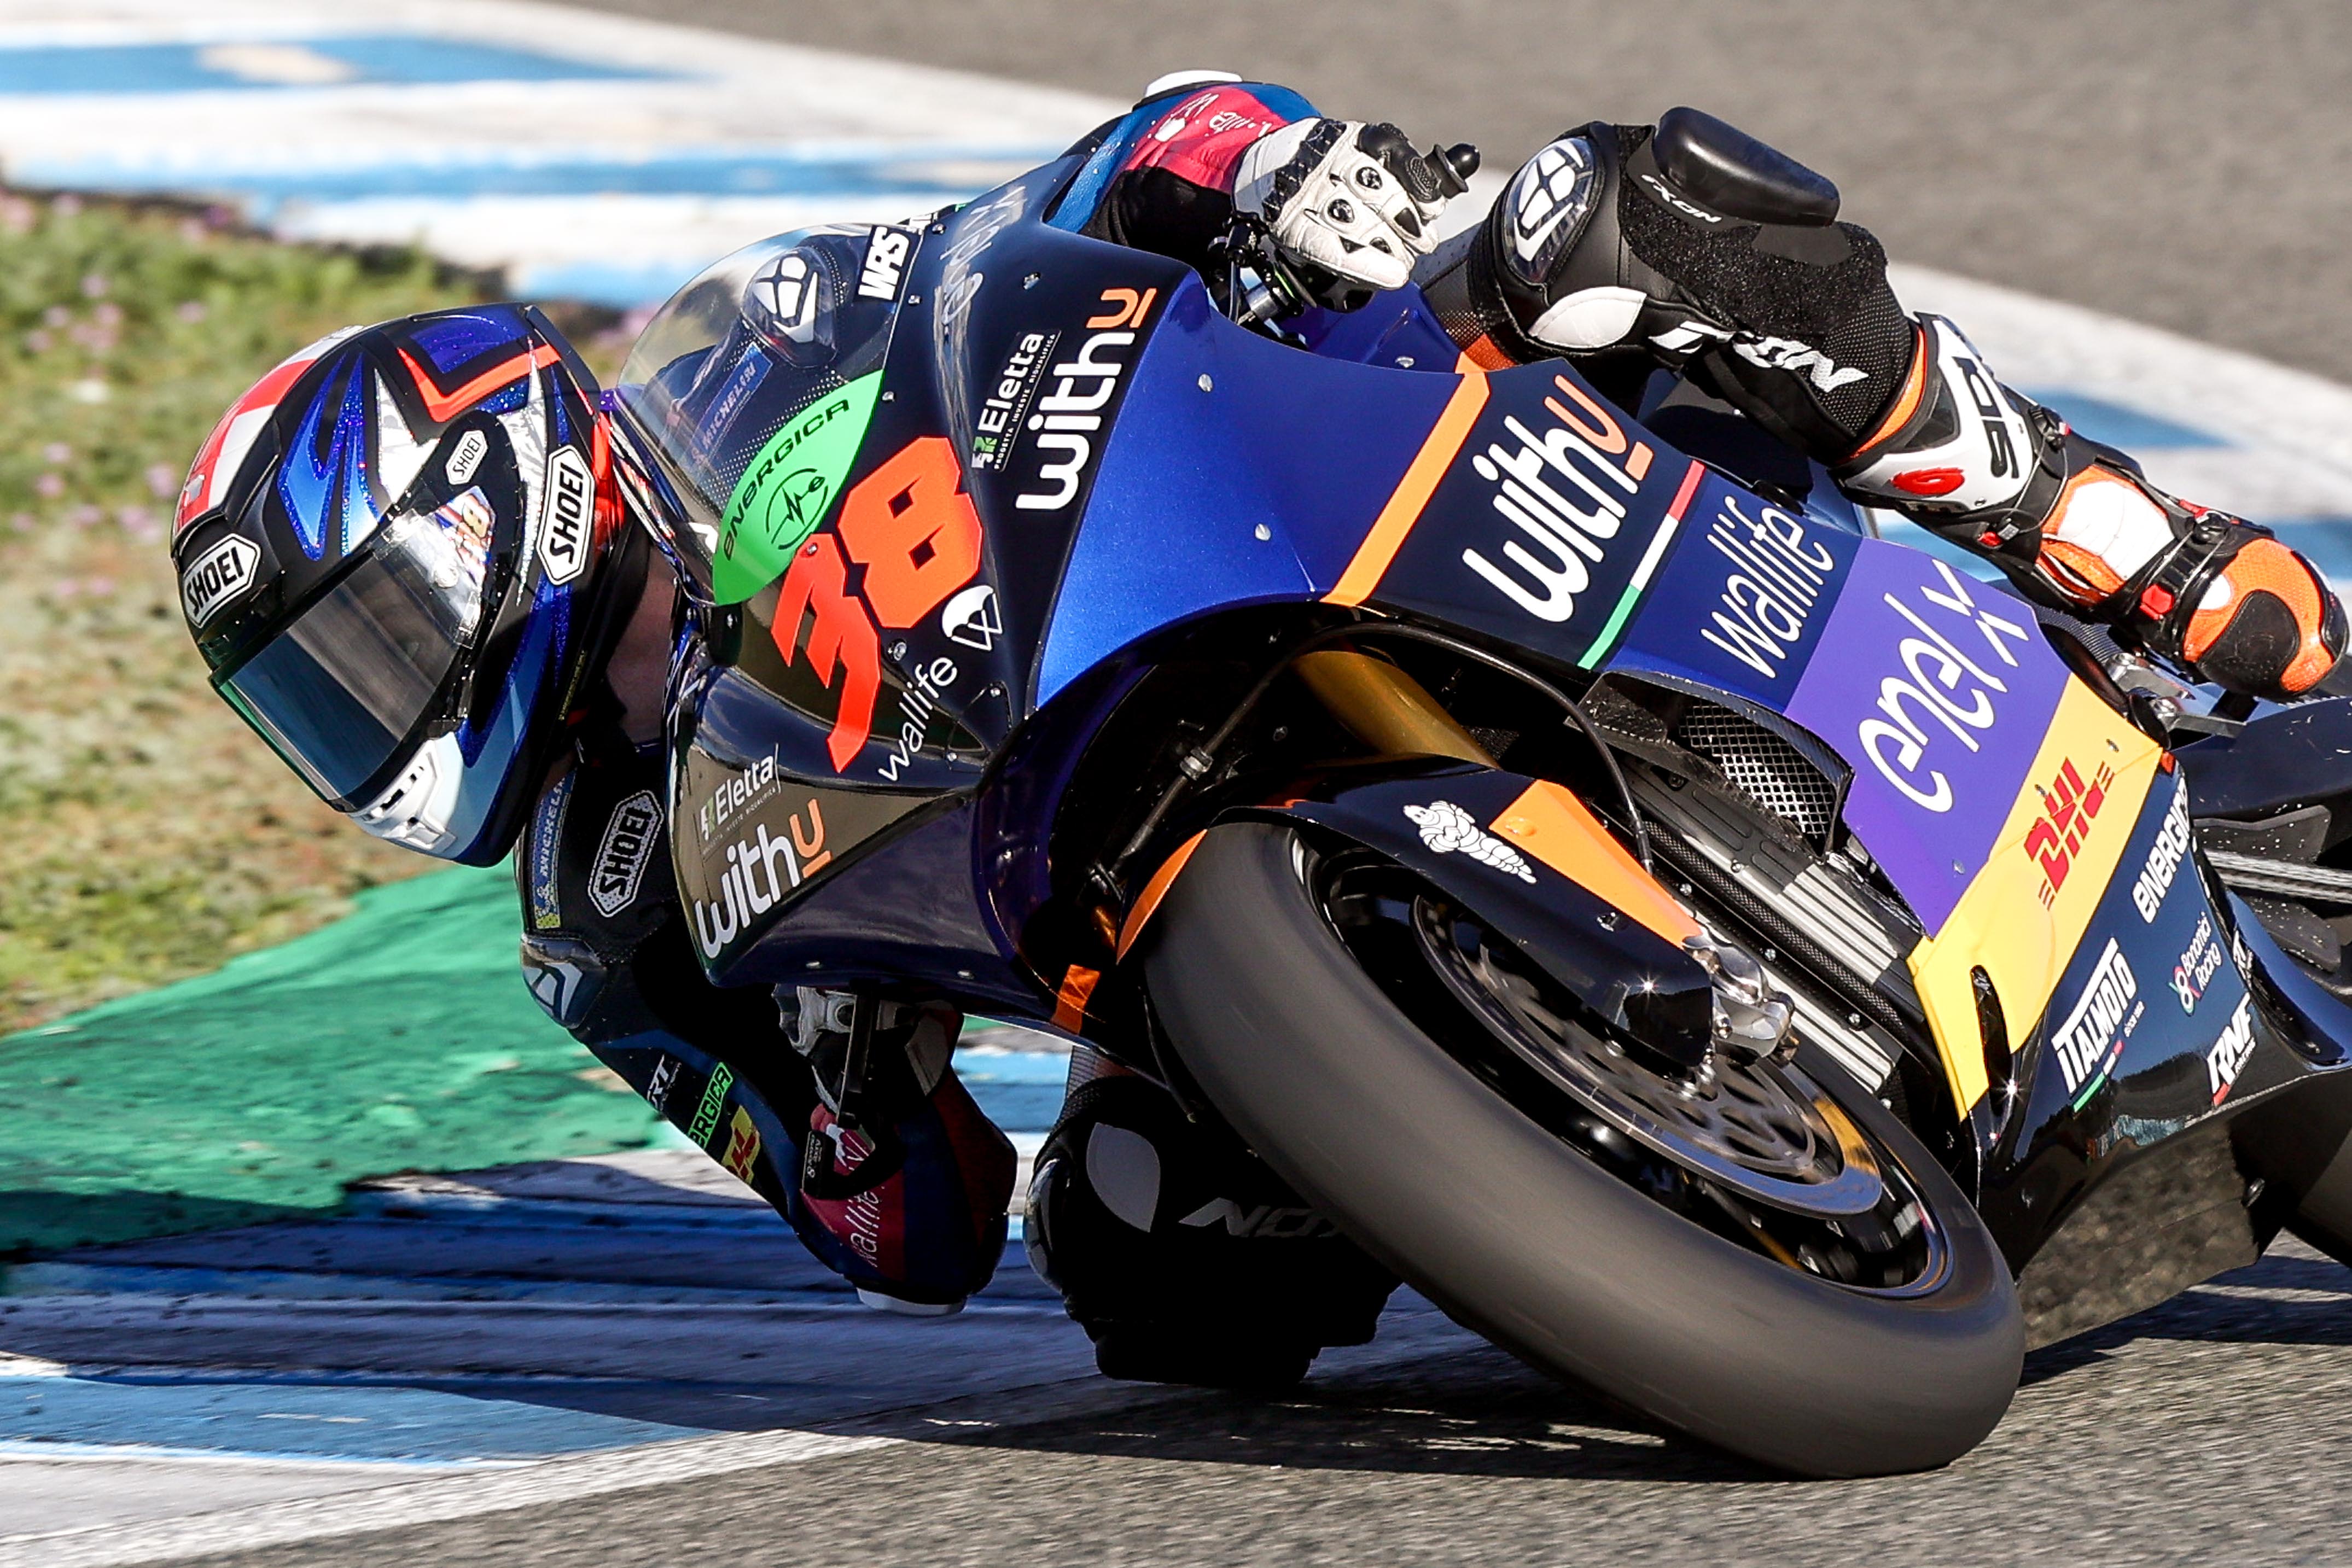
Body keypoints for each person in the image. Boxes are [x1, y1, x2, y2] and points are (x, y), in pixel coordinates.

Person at [170, 71, 2347, 1391]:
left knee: (1606, 218)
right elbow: (911, 1237)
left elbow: (1049, 206)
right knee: (1134, 1254)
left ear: (506, 487)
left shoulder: (749, 348)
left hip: (1262, 510)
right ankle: (1637, 1202)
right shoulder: (599, 929)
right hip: (1119, 903)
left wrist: (1287, 180)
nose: (376, 712)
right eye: (321, 702)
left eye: (374, 639)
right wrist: (841, 1117)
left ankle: (2099, 531)